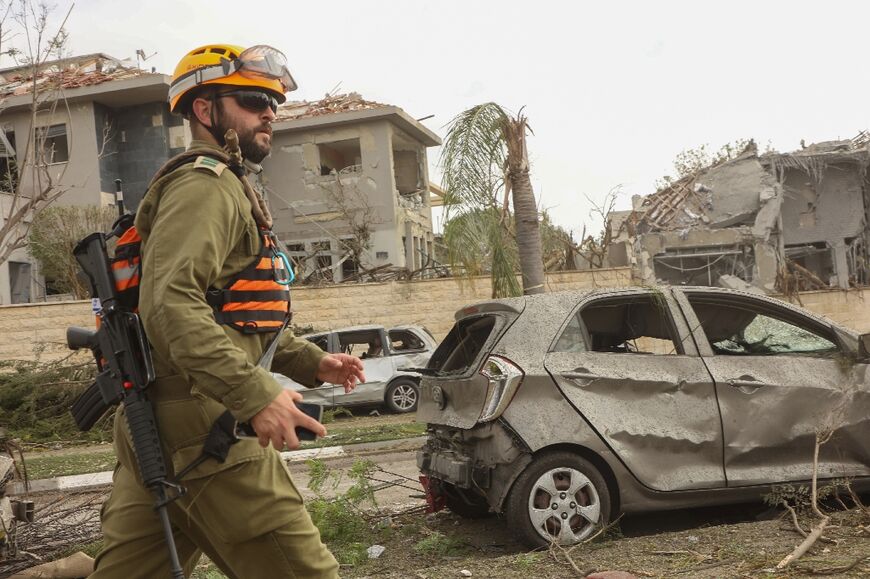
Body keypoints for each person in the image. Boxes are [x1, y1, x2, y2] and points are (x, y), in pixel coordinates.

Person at [91, 44, 365, 578]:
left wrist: (309, 360)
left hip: (159, 422)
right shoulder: (205, 187)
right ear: (204, 110)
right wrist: (256, 393)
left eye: (273, 103)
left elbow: (231, 315)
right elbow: (169, 306)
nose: (269, 112)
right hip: (205, 424)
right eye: (250, 99)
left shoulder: (221, 186)